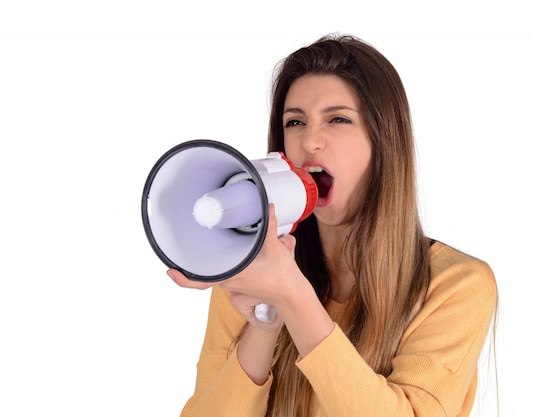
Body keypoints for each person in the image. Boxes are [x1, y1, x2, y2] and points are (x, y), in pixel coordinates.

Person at [167, 34, 498, 417]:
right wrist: (263, 325)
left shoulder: (457, 285)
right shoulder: (254, 273)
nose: (310, 141)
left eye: (338, 119)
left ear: (384, 141)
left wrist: (294, 298)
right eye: (295, 121)